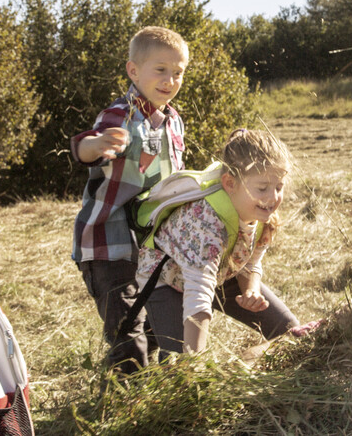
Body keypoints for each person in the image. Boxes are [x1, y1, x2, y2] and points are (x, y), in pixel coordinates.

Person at [70, 26, 189, 373]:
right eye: (161, 69)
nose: (170, 80)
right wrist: (95, 146)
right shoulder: (120, 114)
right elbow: (85, 146)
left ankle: (141, 391)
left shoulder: (174, 121)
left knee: (153, 325)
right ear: (133, 71)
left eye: (178, 72)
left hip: (151, 244)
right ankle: (125, 399)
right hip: (108, 243)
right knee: (127, 332)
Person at [136, 128, 301, 353]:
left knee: (289, 331)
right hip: (169, 279)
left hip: (219, 274)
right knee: (178, 358)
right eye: (262, 188)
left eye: (278, 187)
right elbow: (198, 295)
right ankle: (147, 335)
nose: (273, 198)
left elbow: (250, 262)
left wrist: (251, 291)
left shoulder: (263, 216)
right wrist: (195, 363)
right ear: (230, 184)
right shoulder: (206, 223)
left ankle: (157, 326)